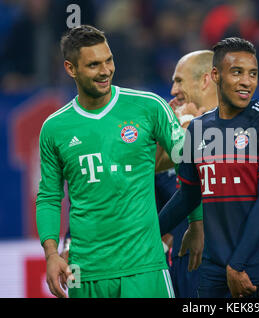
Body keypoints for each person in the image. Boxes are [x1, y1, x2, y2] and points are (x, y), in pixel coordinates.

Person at [36, 25, 185, 298]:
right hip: (84, 271)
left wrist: (196, 228)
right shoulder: (54, 128)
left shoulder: (149, 107)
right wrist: (50, 254)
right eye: (94, 65)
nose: (105, 71)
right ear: (71, 69)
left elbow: (190, 167)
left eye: (109, 60)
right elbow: (48, 197)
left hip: (145, 267)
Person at [158, 37, 259, 298]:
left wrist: (237, 265)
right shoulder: (199, 129)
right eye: (237, 72)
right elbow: (188, 194)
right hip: (216, 274)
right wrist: (148, 234)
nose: (246, 81)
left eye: (253, 74)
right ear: (215, 75)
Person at [156, 50, 218, 298]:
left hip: (219, 258)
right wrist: (173, 128)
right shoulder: (182, 126)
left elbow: (200, 157)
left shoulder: (234, 124)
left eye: (179, 80)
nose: (172, 90)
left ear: (205, 80)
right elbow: (150, 164)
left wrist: (186, 124)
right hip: (184, 258)